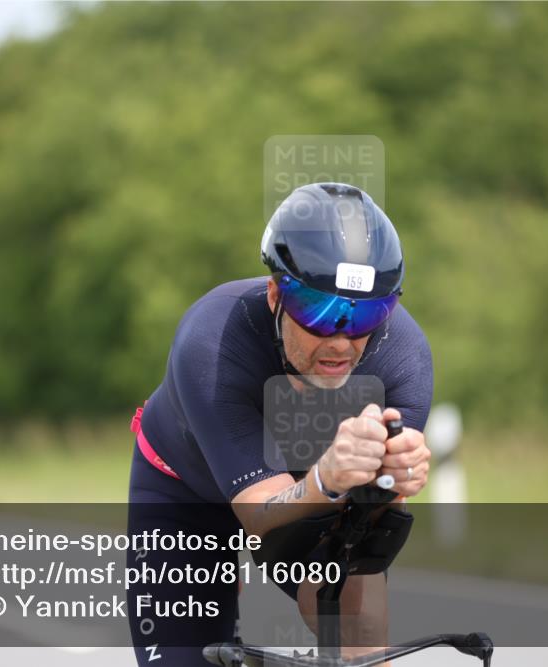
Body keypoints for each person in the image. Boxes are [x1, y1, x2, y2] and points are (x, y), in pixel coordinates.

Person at [126, 182, 434, 666]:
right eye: (319, 311)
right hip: (188, 491)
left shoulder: (403, 359)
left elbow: (349, 567)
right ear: (275, 296)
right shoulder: (212, 339)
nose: (340, 342)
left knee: (358, 644)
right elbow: (258, 514)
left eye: (366, 315)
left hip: (312, 490)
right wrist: (325, 479)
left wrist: (391, 485)